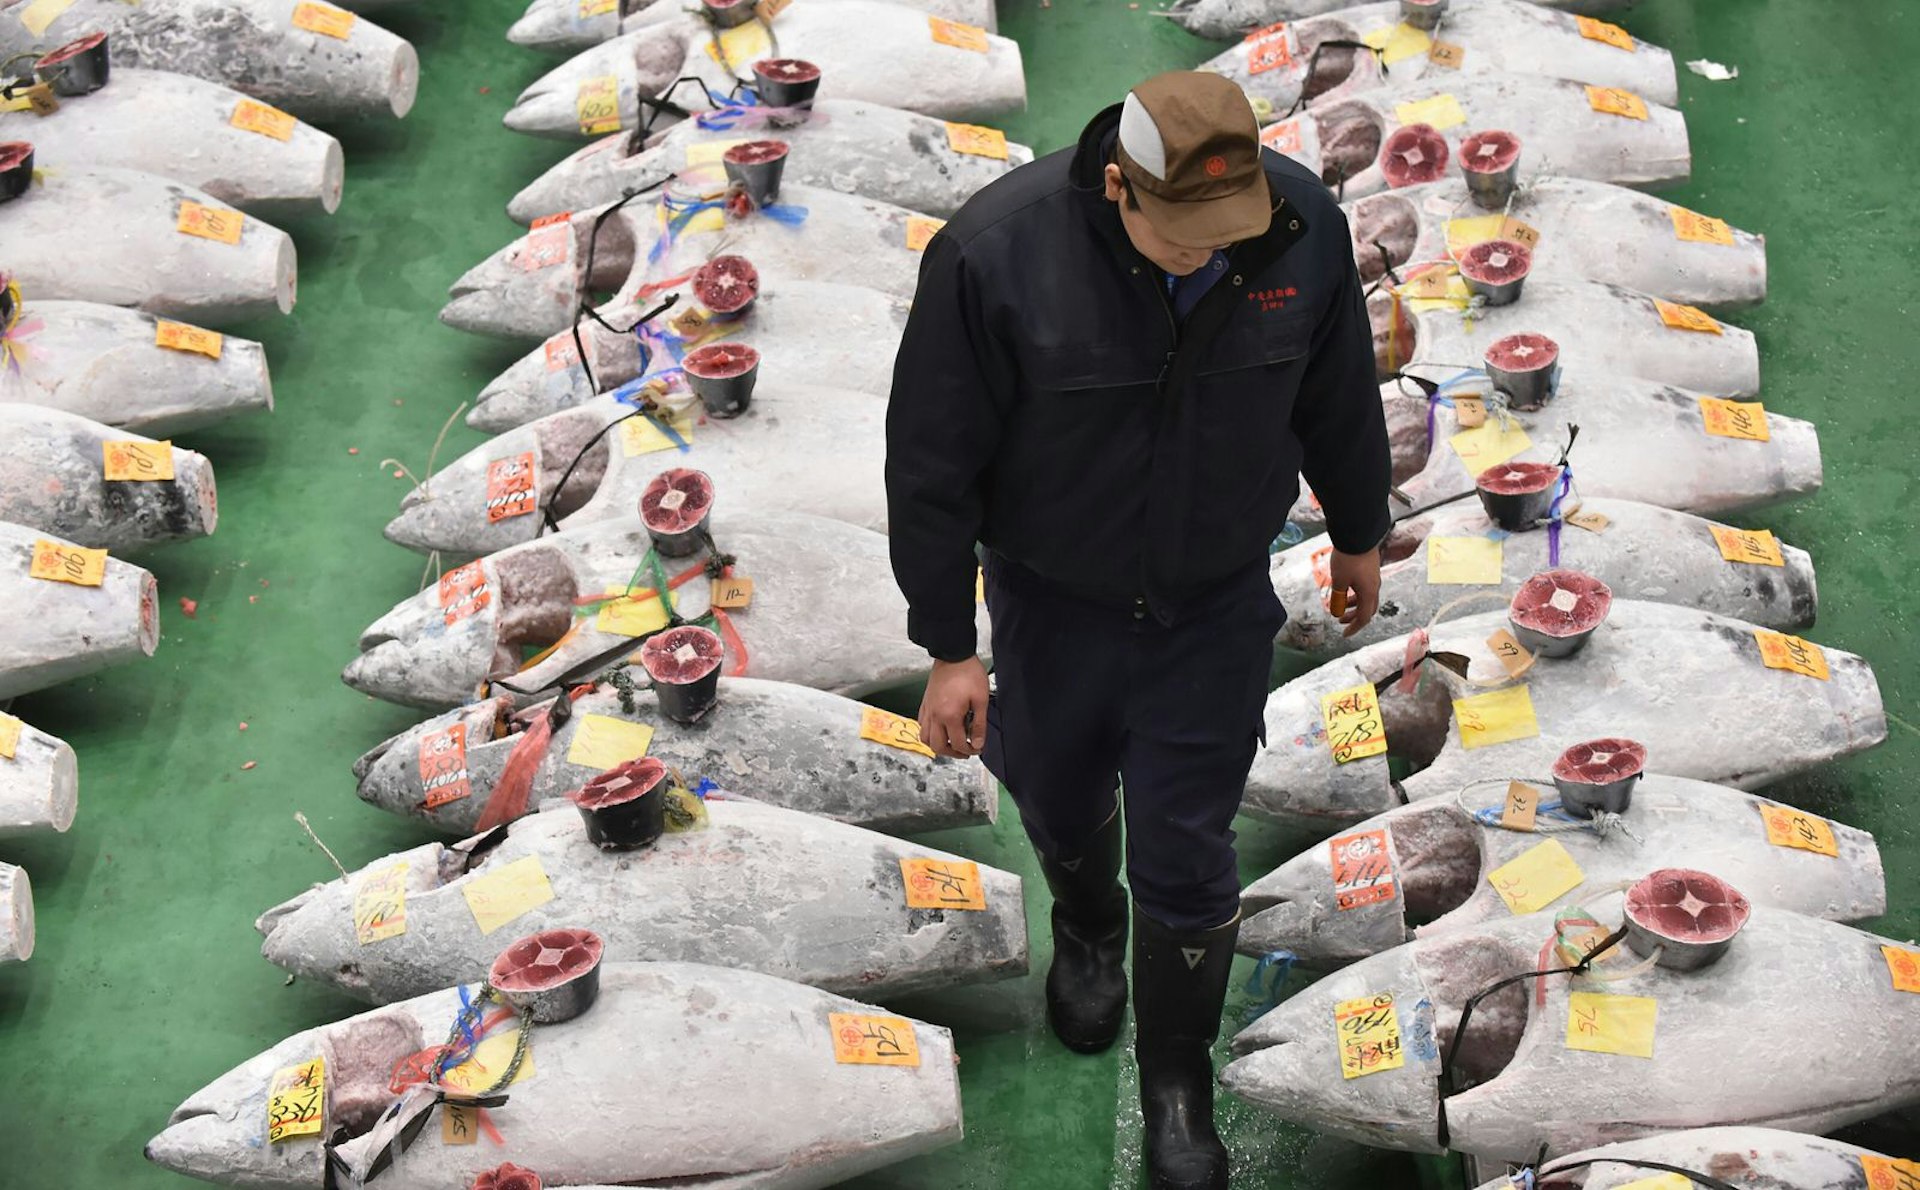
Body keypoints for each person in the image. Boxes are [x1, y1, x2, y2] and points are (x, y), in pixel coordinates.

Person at [884, 70, 1390, 1190]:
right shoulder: (992, 257)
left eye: (1231, 227)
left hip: (1212, 604)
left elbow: (1339, 391)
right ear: (1117, 185)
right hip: (1052, 603)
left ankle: (1176, 1080)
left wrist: (1359, 528)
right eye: (1184, 233)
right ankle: (1086, 919)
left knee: (1191, 849)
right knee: (1059, 795)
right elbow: (931, 464)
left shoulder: (1298, 231)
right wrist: (949, 644)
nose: (1212, 252)